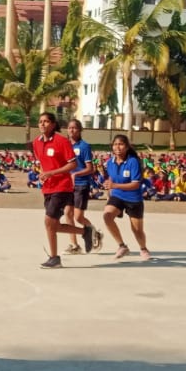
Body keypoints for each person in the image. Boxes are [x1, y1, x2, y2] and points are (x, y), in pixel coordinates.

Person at [32, 111, 92, 268]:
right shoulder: (36, 142)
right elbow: (43, 163)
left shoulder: (62, 141)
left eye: (46, 121)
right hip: (48, 187)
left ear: (53, 124)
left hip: (62, 186)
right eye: (40, 121)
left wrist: (52, 173)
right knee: (53, 225)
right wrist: (43, 174)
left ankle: (54, 258)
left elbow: (73, 164)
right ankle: (85, 232)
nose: (42, 124)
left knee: (48, 220)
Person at [102, 134, 150, 260]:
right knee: (107, 216)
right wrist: (109, 193)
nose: (118, 147)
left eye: (121, 144)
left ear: (127, 147)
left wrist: (114, 185)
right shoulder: (110, 162)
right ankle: (122, 246)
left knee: (137, 230)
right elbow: (111, 178)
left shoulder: (133, 161)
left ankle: (143, 248)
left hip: (133, 198)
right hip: (117, 195)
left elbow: (135, 184)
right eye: (115, 144)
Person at [63, 119, 103, 254]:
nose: (71, 130)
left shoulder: (84, 146)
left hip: (81, 184)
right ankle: (74, 245)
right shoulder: (65, 145)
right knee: (67, 213)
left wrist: (76, 174)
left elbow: (90, 168)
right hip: (68, 185)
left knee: (78, 217)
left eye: (74, 128)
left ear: (80, 130)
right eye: (69, 127)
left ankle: (94, 233)